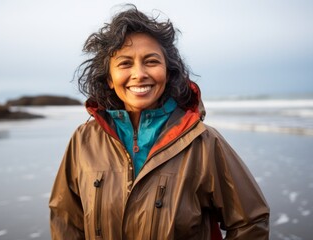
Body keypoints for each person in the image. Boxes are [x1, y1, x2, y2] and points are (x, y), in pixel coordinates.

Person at [49, 4, 270, 240]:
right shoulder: (84, 140)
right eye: (125, 63)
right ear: (109, 79)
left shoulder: (204, 142)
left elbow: (251, 222)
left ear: (168, 71)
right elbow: (66, 220)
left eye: (151, 61)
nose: (139, 73)